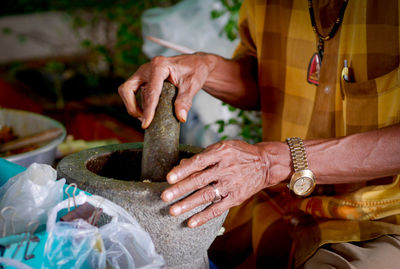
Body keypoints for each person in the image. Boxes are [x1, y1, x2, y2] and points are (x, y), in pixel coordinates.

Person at [118, 0, 400, 268]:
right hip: (282, 200)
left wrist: (270, 163)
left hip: (381, 216)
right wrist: (206, 67)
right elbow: (262, 76)